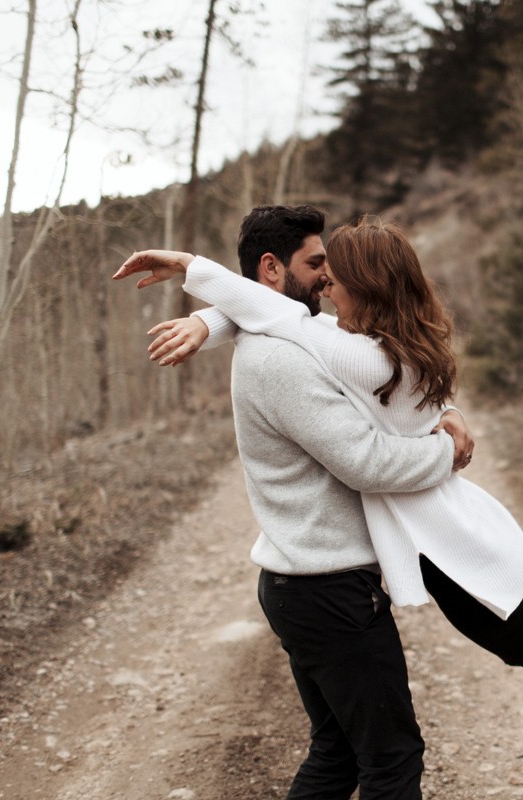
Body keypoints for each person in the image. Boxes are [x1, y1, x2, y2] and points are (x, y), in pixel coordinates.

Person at [120, 212, 523, 758]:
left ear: (368, 287)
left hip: (436, 538)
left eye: (334, 278)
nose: (326, 287)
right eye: (320, 272)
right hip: (446, 526)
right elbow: (284, 316)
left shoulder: (357, 355)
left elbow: (284, 318)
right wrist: (208, 315)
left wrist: (195, 275)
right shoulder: (408, 338)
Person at [115, 206, 474, 799]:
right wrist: (447, 454)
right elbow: (366, 462)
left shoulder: (288, 334)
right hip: (327, 590)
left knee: (337, 756)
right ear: (271, 268)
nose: (329, 281)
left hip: (307, 585)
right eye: (316, 266)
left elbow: (374, 362)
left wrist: (446, 408)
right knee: (392, 759)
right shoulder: (280, 359)